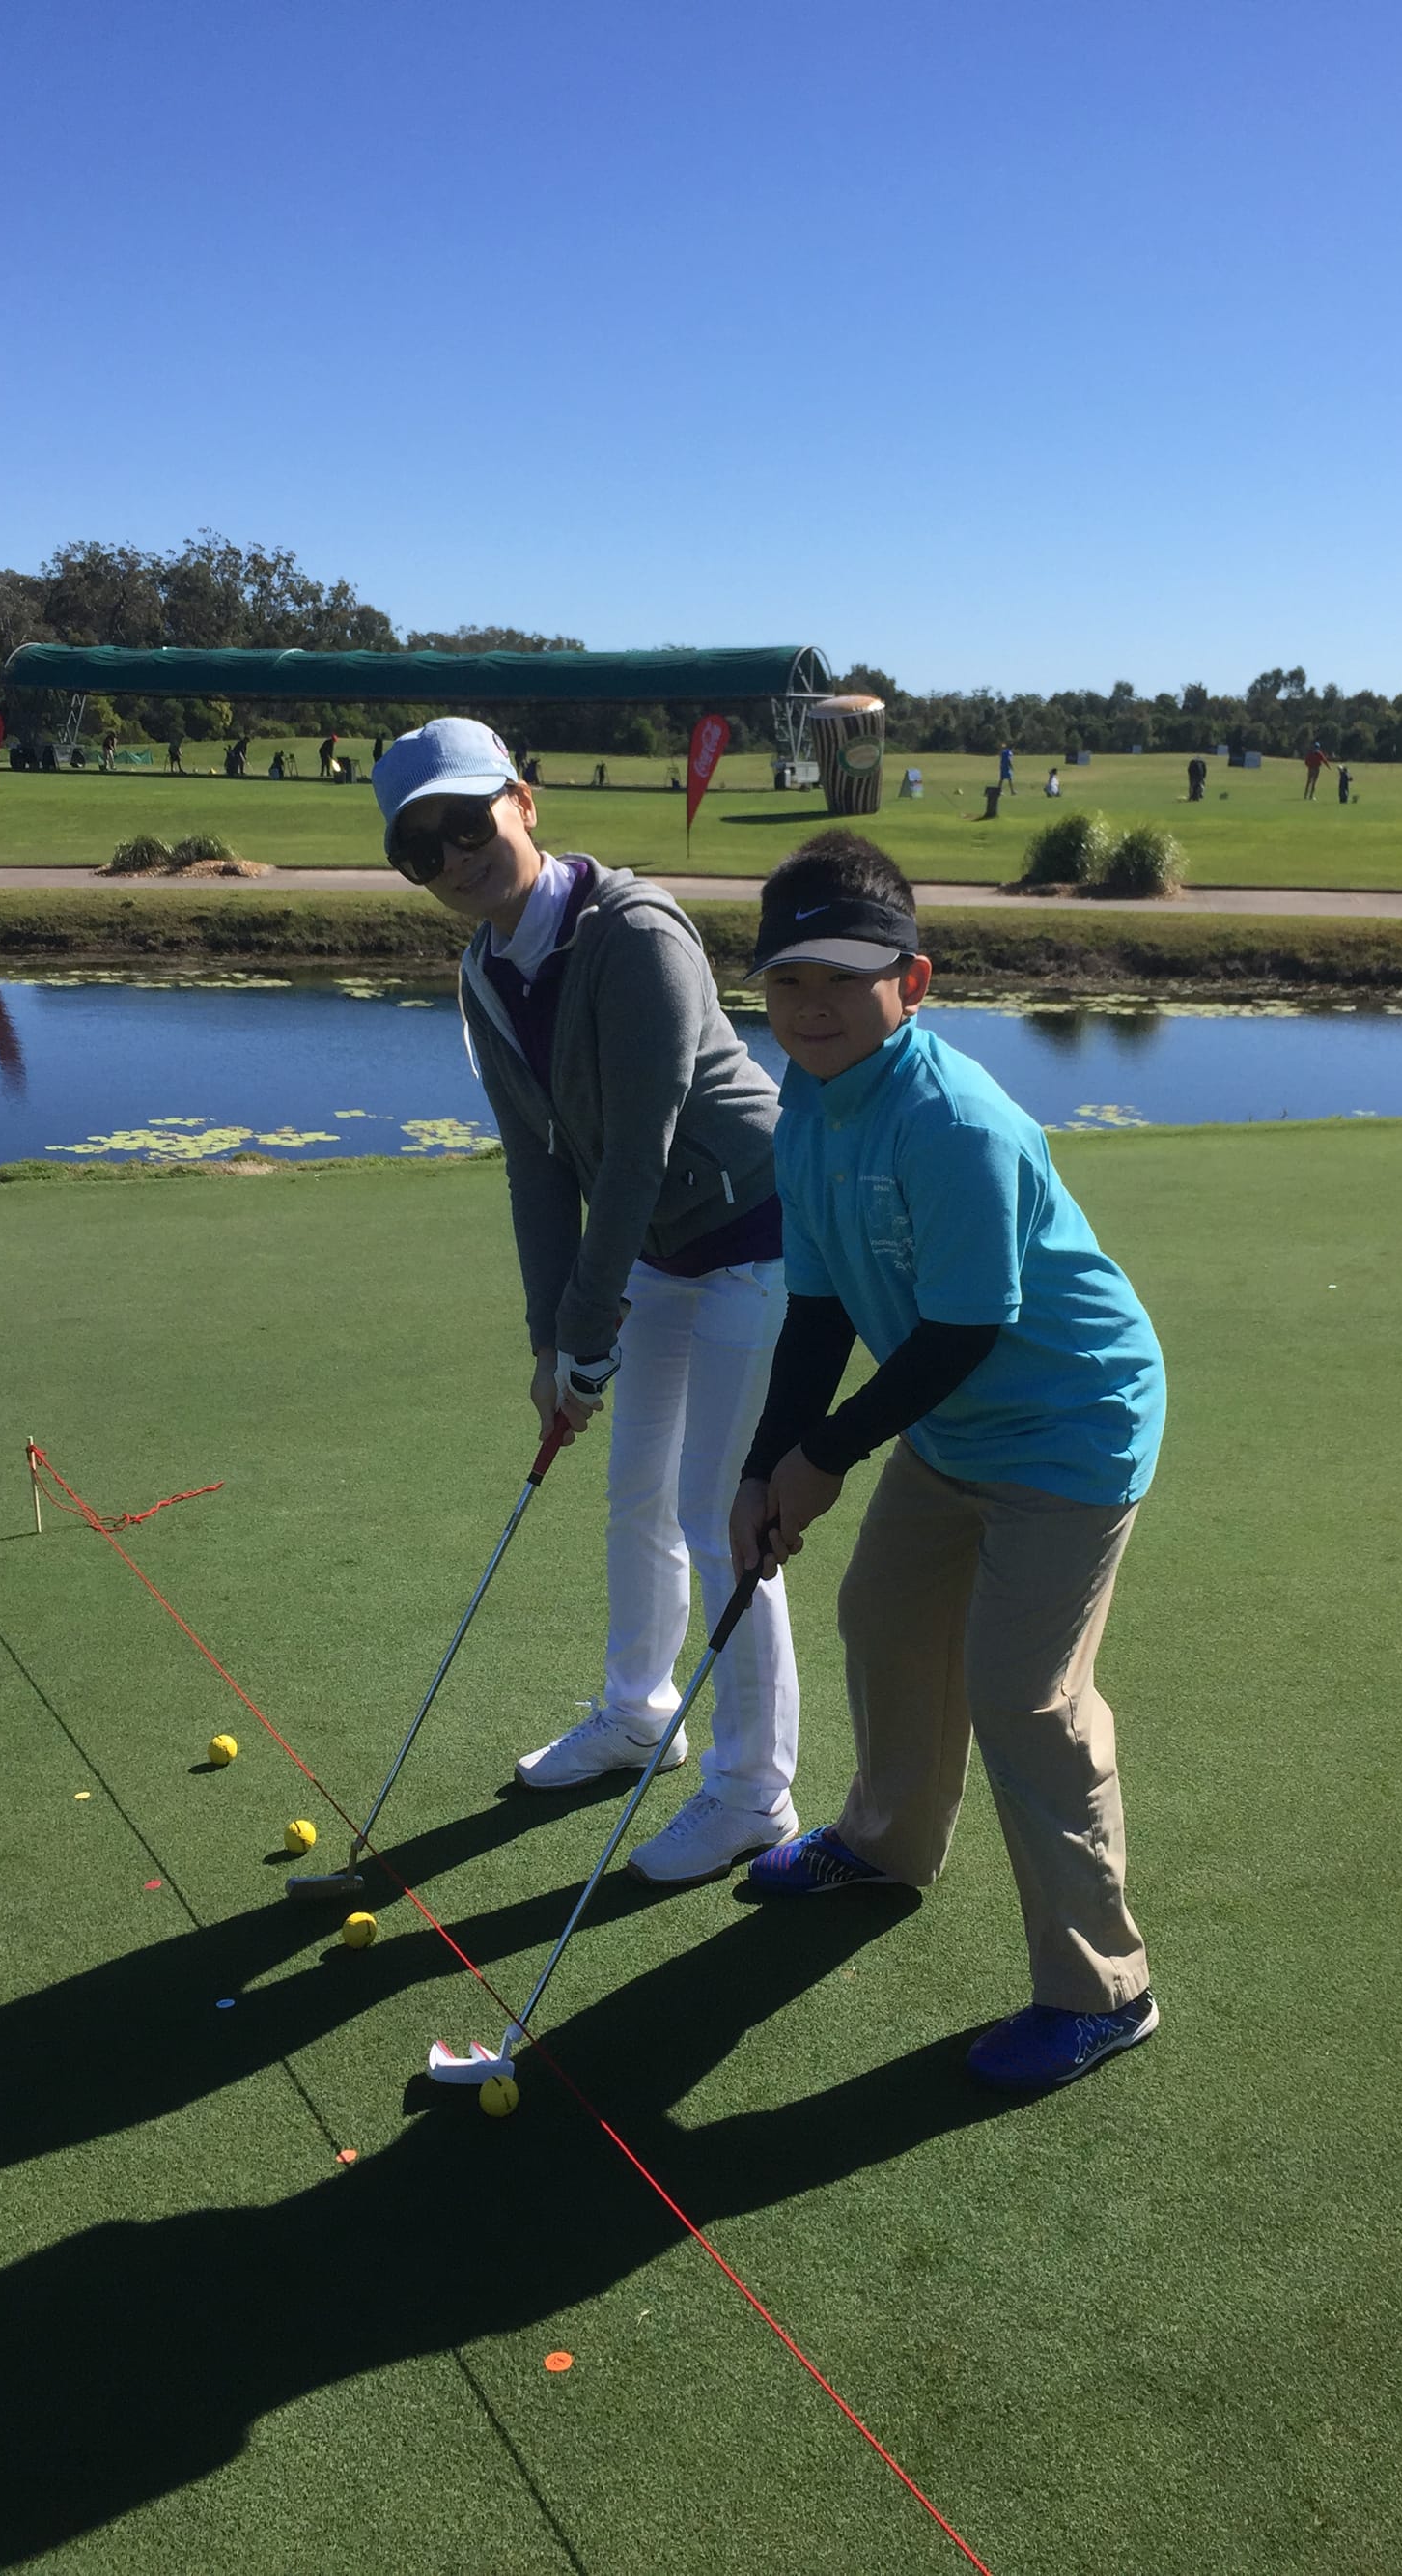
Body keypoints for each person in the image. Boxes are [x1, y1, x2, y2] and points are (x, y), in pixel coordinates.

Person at [728, 833, 1165, 2094]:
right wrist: (763, 1467)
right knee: (883, 1617)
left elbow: (964, 1329)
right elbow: (818, 1311)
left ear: (912, 983)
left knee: (1026, 1695)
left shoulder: (955, 1120)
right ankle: (886, 1843)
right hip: (955, 1424)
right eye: (787, 980)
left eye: (843, 979)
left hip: (1071, 1425)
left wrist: (825, 1454)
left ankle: (1103, 1992)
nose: (810, 1006)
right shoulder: (806, 1101)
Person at [374, 719, 800, 1884]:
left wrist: (587, 1326)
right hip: (657, 1248)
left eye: (468, 823)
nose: (455, 859)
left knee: (720, 1515)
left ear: (521, 799)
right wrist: (548, 1343)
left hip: (755, 1235)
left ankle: (753, 1793)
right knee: (635, 1494)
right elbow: (537, 1165)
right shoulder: (484, 971)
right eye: (421, 849)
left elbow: (637, 1150)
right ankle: (637, 1714)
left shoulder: (635, 933)